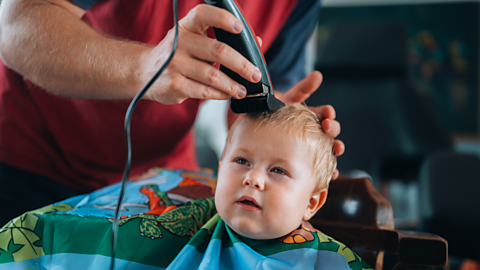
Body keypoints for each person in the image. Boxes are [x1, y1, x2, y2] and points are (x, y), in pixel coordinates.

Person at [0, 0, 344, 226]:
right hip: (28, 159)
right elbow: (14, 26)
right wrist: (145, 67)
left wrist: (281, 130)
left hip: (161, 180)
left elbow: (257, 103)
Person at [167, 103, 371, 269]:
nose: (252, 178)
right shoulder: (176, 225)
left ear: (311, 203)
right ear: (220, 172)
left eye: (278, 171)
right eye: (241, 161)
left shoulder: (333, 262)